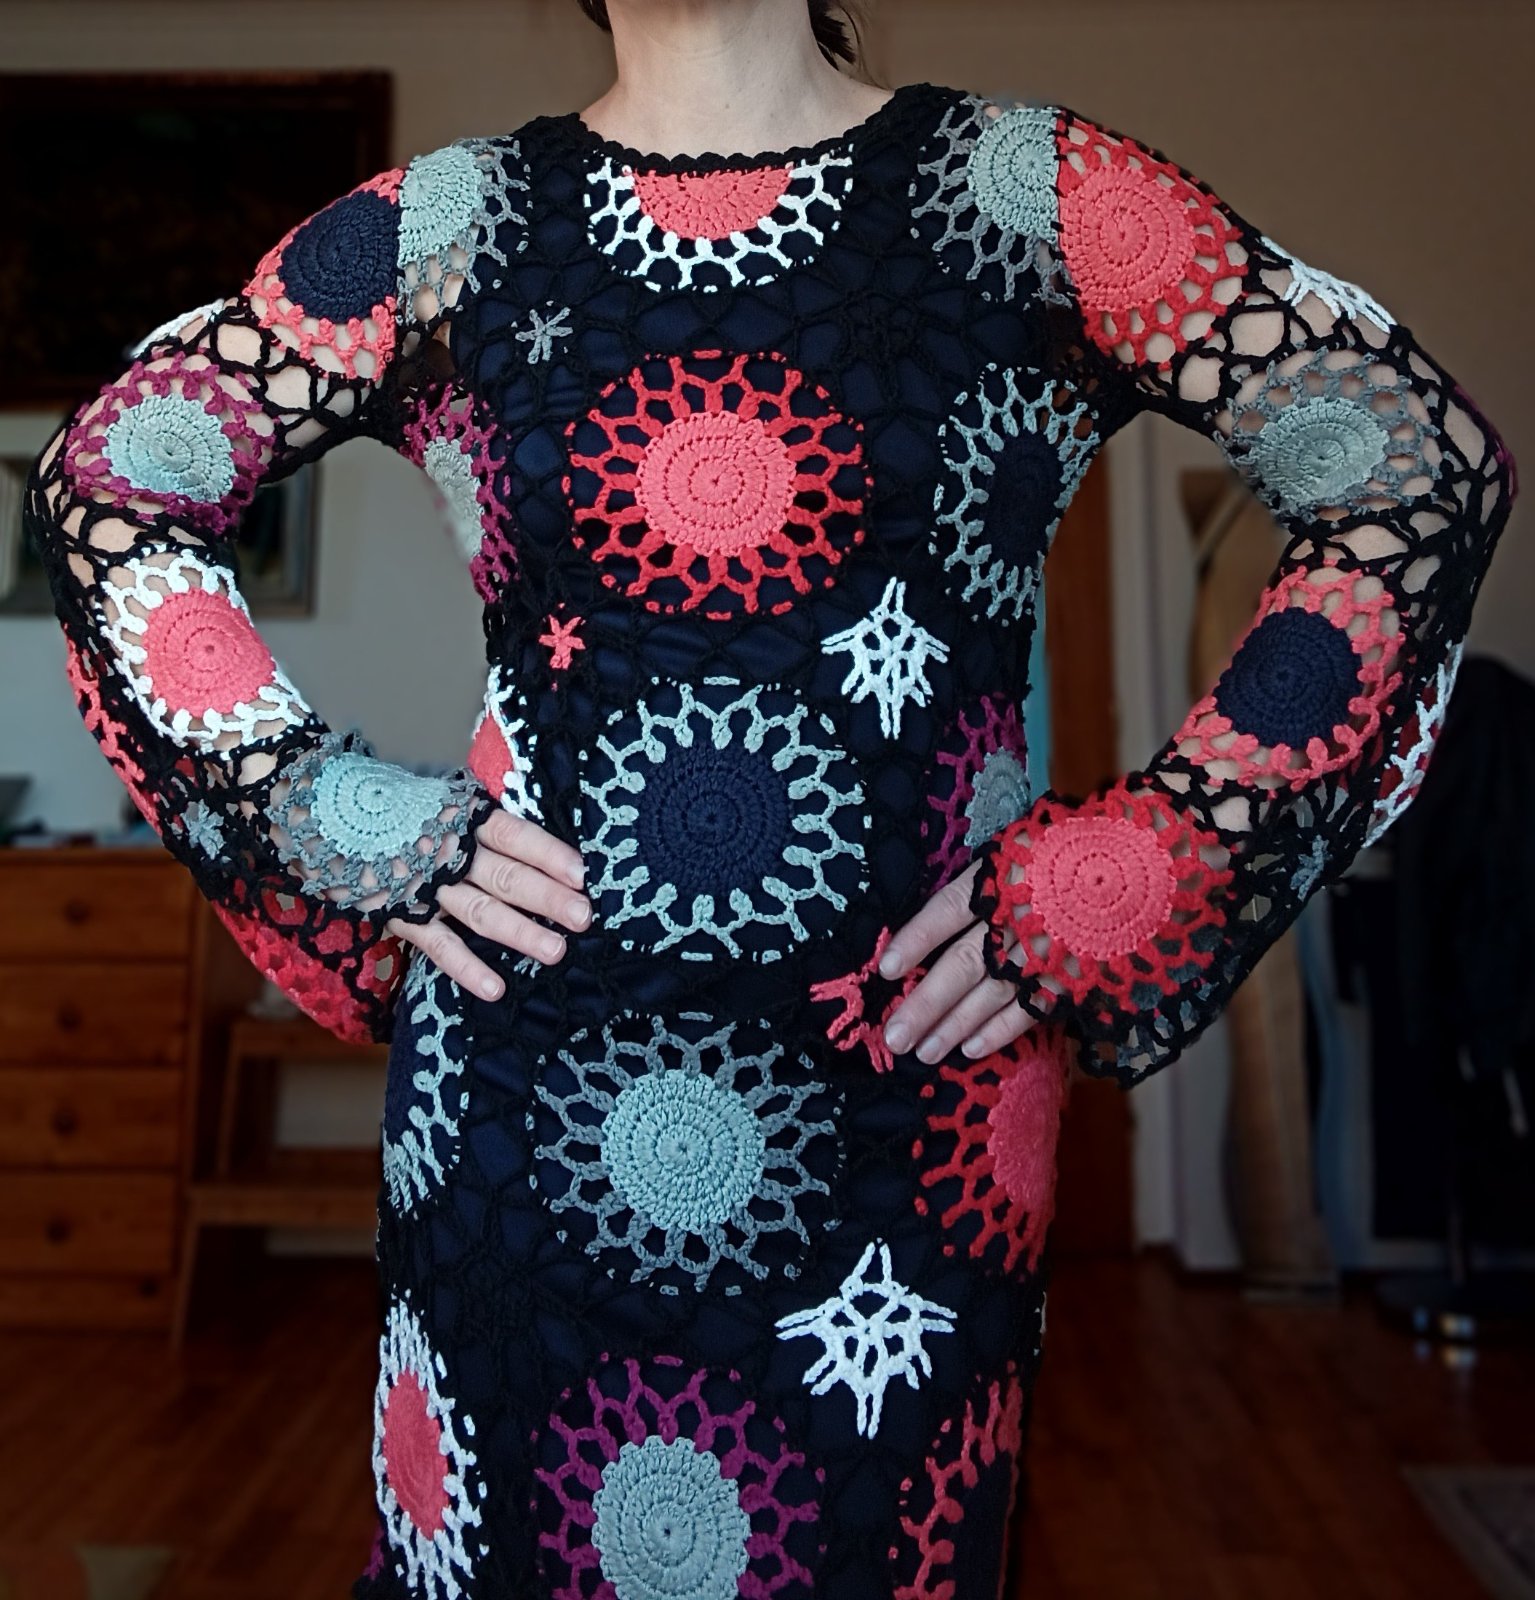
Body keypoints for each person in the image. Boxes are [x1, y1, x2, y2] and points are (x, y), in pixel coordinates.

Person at [25, 0, 1516, 1592]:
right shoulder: (444, 226)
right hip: (520, 1101)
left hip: (915, 1096)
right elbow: (115, 483)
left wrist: (1154, 856)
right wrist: (324, 810)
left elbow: (1412, 469)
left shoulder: (1030, 195)